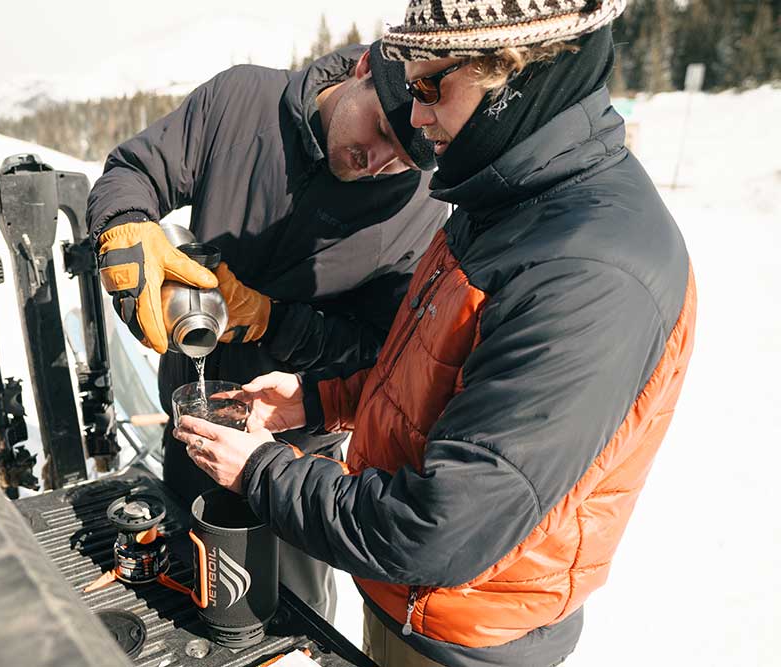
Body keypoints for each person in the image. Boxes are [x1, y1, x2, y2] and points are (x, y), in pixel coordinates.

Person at [173, 2, 697, 665]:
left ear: (516, 69)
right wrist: (318, 399)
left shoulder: (587, 272)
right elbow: (438, 375)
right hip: (411, 608)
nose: (417, 117)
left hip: (462, 637)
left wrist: (261, 472)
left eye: (432, 86)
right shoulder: (508, 202)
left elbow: (439, 527)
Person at [87, 42, 449, 620]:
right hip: (194, 419)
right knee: (187, 591)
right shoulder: (242, 102)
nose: (377, 162)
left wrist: (271, 320)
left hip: (295, 453)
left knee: (287, 615)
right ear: (360, 71)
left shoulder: (420, 207)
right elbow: (136, 170)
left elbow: (379, 351)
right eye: (379, 128)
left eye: (403, 160)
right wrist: (125, 224)